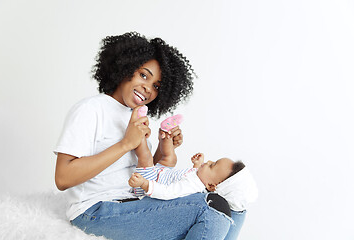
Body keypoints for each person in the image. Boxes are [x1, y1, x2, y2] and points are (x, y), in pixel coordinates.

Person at [54, 32, 245, 240]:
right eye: (144, 75)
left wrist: (163, 148)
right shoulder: (91, 109)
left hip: (134, 202)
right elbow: (63, 178)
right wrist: (126, 144)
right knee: (212, 206)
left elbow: (142, 173)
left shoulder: (134, 116)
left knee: (235, 204)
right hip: (95, 211)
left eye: (156, 86)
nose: (148, 88)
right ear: (124, 68)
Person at [128, 130, 257, 216]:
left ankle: (137, 133)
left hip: (152, 184)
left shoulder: (191, 186)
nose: (209, 161)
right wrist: (197, 164)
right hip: (162, 174)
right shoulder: (201, 179)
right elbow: (194, 175)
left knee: (146, 157)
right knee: (172, 158)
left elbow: (167, 193)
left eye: (212, 165)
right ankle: (166, 133)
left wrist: (144, 183)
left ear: (211, 186)